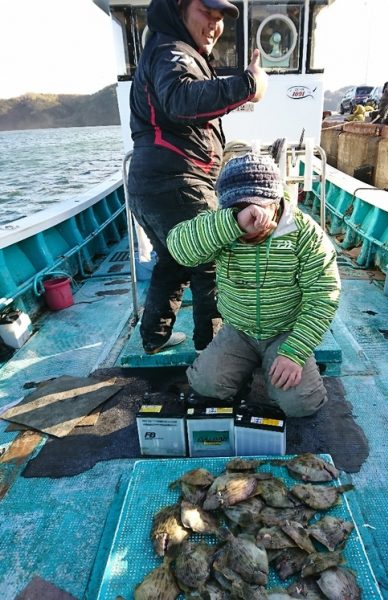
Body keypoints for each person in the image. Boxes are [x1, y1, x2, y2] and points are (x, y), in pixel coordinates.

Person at [127, 0, 268, 354]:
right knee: (212, 261)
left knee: (173, 261)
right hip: (178, 183)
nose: (215, 25)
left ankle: (154, 338)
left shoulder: (168, 49)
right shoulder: (172, 52)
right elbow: (181, 99)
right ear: (178, 7)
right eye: (207, 13)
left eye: (220, 19)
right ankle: (215, 352)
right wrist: (248, 84)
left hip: (150, 184)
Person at [167, 153, 341, 417]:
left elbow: (323, 296)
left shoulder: (305, 233)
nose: (252, 219)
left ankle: (278, 367)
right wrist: (232, 223)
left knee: (301, 404)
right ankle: (254, 369)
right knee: (205, 385)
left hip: (286, 331)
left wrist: (294, 352)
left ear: (276, 199)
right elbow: (180, 249)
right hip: (239, 329)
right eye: (239, 208)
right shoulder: (225, 223)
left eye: (258, 206)